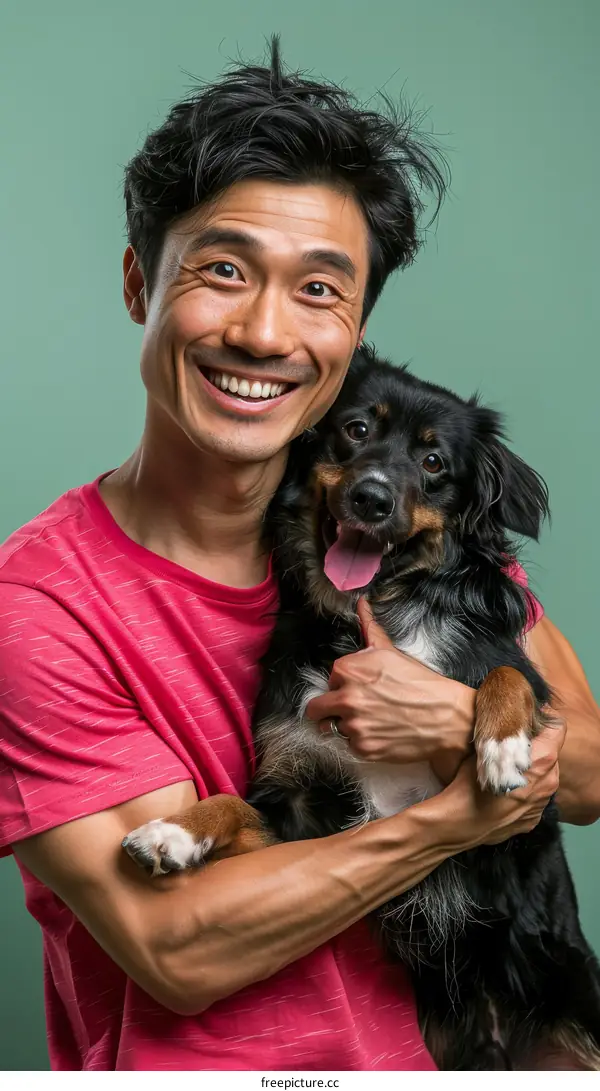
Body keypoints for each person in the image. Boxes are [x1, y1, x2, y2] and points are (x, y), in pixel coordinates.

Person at [0, 40, 598, 1073]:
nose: (266, 330)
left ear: (355, 329)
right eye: (223, 271)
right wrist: (458, 810)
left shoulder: (428, 552)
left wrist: (459, 719)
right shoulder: (40, 604)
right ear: (141, 281)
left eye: (319, 289)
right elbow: (177, 943)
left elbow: (585, 768)